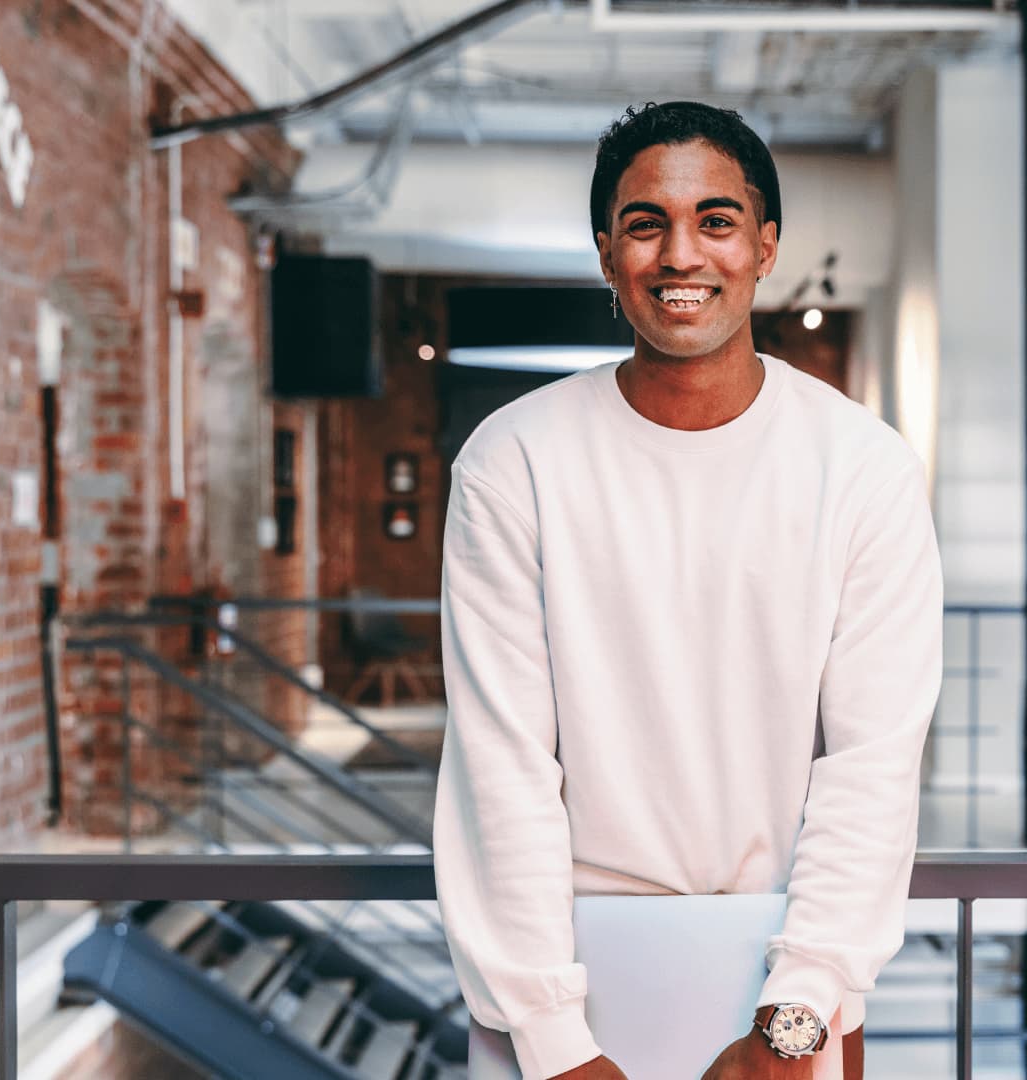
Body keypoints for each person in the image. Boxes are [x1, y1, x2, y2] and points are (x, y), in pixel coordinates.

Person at [433, 100, 943, 1080]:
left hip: (786, 983)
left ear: (764, 245)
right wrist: (550, 1037)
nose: (680, 255)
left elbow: (871, 765)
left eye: (715, 220)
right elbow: (503, 766)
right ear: (605, 253)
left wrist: (798, 1017)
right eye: (643, 224)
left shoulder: (862, 467)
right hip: (568, 967)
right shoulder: (514, 460)